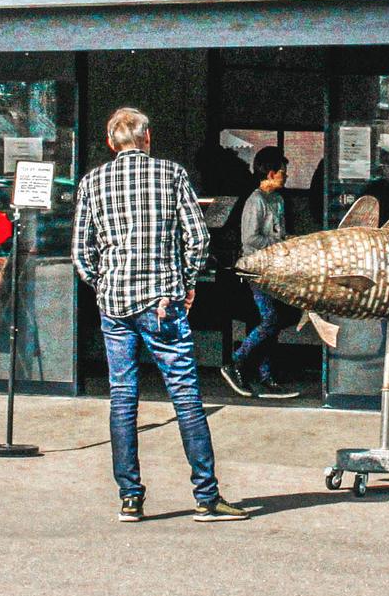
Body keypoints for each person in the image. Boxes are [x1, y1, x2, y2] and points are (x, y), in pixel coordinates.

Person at [73, 107, 249, 523]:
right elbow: (198, 238)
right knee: (185, 395)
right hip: (163, 304)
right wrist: (185, 284)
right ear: (147, 138)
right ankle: (207, 497)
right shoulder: (171, 174)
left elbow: (81, 253)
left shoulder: (92, 182)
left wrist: (104, 285)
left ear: (110, 142)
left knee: (122, 398)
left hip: (114, 305)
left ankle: (130, 498)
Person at [223, 146, 298, 400]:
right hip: (255, 271)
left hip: (273, 269)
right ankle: (237, 360)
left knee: (272, 321)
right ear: (271, 173)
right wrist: (279, 242)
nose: (286, 176)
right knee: (270, 319)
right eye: (282, 172)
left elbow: (279, 232)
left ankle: (266, 376)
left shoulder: (278, 200)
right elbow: (250, 239)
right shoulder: (254, 201)